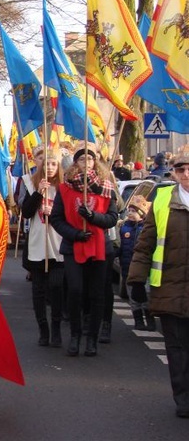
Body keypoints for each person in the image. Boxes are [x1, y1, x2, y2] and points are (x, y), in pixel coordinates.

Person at [128, 154, 189, 418]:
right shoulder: (162, 199)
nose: (186, 174)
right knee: (177, 349)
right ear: (173, 172)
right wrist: (137, 280)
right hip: (170, 287)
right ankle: (183, 399)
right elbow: (146, 243)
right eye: (180, 169)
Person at [50, 141, 118, 357]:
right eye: (82, 158)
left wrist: (93, 217)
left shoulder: (107, 186)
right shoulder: (65, 187)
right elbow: (56, 219)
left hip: (100, 248)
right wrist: (76, 234)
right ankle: (76, 335)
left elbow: (112, 219)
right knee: (76, 291)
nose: (86, 162)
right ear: (75, 163)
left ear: (95, 162)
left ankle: (92, 339)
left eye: (90, 158)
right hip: (74, 245)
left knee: (97, 294)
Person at [19, 147, 65, 347]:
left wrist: (53, 210)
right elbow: (26, 211)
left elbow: (69, 214)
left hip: (58, 244)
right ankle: (43, 329)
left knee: (56, 288)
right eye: (46, 163)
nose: (50, 167)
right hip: (38, 243)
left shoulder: (64, 187)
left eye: (54, 163)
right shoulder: (29, 182)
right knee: (38, 290)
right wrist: (39, 193)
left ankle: (56, 328)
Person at [118, 195, 153, 330]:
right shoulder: (124, 228)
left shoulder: (145, 228)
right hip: (128, 269)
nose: (131, 214)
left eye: (135, 211)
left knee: (146, 296)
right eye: (130, 211)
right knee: (133, 297)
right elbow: (121, 247)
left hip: (144, 270)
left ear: (143, 214)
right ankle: (138, 320)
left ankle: (149, 319)